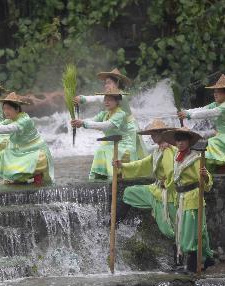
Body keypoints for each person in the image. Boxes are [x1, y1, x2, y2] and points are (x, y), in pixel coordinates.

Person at [113, 120, 179, 255]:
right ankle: (114, 222)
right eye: (152, 134)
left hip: (165, 193)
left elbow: (171, 172)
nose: (153, 137)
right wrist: (122, 166)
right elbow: (143, 164)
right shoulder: (158, 150)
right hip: (155, 189)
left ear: (164, 134)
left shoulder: (168, 150)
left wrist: (167, 186)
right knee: (129, 192)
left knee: (168, 229)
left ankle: (183, 256)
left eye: (156, 134)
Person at [159, 128, 215, 272]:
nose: (180, 143)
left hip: (193, 197)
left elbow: (206, 176)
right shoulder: (177, 156)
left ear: (189, 142)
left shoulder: (195, 157)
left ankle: (192, 266)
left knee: (190, 233)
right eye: (178, 141)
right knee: (187, 231)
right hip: (181, 198)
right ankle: (204, 260)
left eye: (183, 140)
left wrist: (205, 176)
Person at [0, 91, 53, 185]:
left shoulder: (24, 120)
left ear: (17, 109)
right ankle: (20, 178)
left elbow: (9, 128)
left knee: (31, 160)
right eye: (4, 109)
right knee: (5, 154)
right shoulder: (9, 120)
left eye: (9, 108)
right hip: (21, 150)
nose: (6, 111)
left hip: (35, 151)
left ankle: (37, 175)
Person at [73, 68, 145, 157]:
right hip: (116, 128)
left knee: (130, 157)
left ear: (117, 83)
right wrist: (82, 99)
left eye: (109, 83)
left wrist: (83, 99)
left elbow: (98, 98)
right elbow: (100, 98)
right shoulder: (109, 101)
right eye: (105, 83)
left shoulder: (121, 96)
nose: (106, 85)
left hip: (128, 129)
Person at [71, 87, 136, 179]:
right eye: (105, 99)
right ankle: (98, 178)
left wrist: (83, 123)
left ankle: (111, 178)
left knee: (105, 151)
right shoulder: (104, 114)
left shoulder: (120, 114)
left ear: (117, 101)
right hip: (111, 144)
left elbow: (106, 125)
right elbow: (93, 120)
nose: (106, 102)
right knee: (99, 151)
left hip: (124, 145)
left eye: (110, 100)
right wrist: (79, 122)